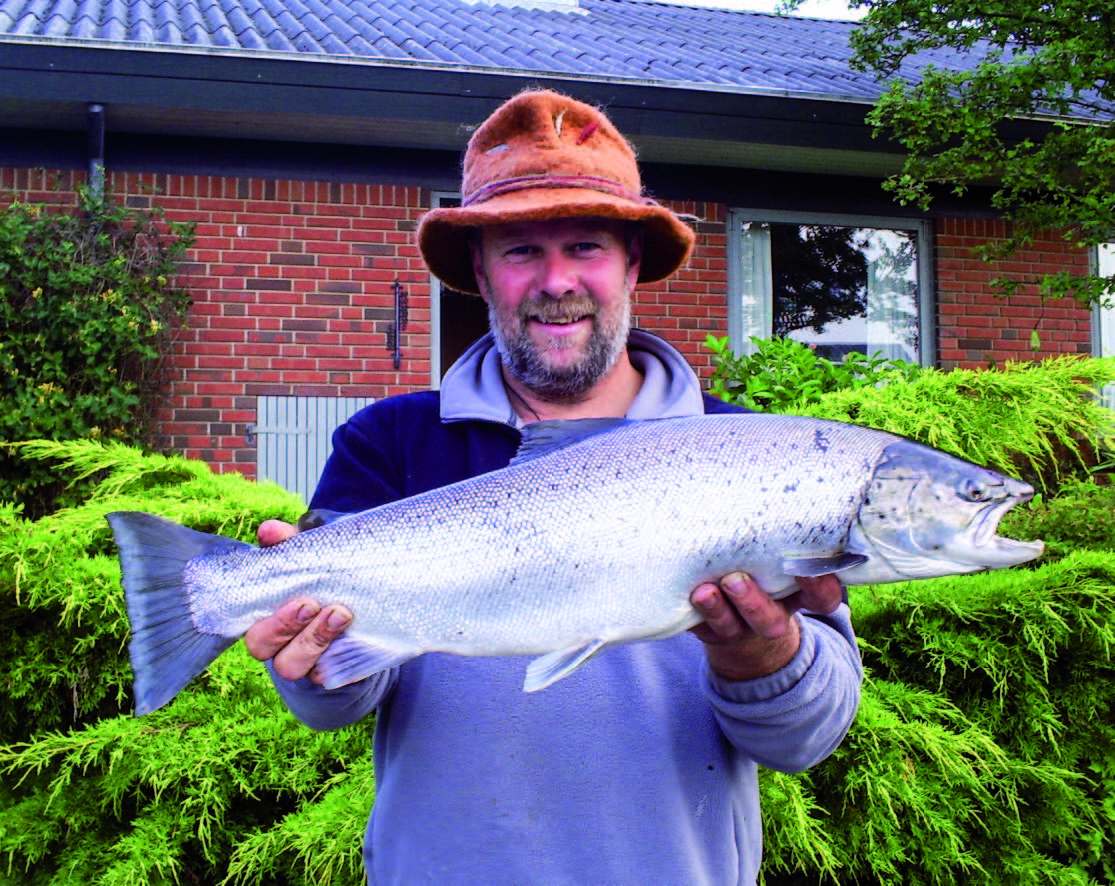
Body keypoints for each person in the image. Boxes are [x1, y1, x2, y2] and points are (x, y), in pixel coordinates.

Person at [245, 89, 862, 886]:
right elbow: (335, 702)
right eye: (520, 252)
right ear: (479, 271)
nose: (555, 281)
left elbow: (804, 741)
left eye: (584, 247)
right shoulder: (392, 442)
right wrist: (312, 653)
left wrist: (762, 658)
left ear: (633, 261)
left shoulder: (749, 453)